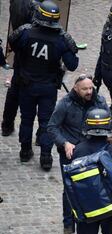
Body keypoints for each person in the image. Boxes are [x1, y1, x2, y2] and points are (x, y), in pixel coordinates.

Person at [8, 0, 79, 170]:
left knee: (26, 119)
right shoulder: (61, 38)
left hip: (27, 85)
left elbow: (13, 44)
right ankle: (46, 157)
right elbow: (73, 64)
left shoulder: (26, 33)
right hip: (48, 87)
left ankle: (25, 151)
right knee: (46, 122)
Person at [48, 74, 109, 234]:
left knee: (97, 184)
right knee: (70, 189)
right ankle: (69, 225)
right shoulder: (65, 104)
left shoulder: (100, 101)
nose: (89, 91)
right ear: (76, 88)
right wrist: (64, 143)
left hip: (93, 151)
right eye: (85, 89)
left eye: (91, 88)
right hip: (71, 152)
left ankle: (94, 218)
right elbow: (52, 127)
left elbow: (108, 122)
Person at [1, 0, 42, 136]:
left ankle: (7, 125)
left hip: (20, 48)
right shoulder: (34, 5)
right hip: (34, 52)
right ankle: (39, 134)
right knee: (37, 95)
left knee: (14, 90)